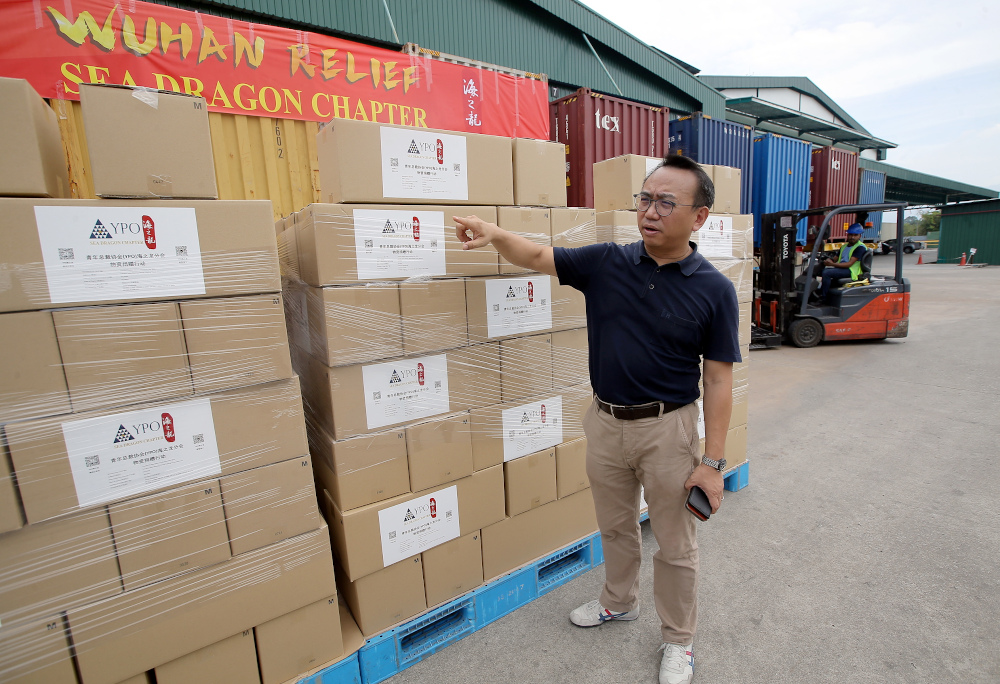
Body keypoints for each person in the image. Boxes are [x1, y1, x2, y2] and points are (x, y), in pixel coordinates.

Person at [454, 154, 741, 684]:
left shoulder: (714, 290)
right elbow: (538, 254)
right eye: (645, 198)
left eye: (666, 202)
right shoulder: (608, 262)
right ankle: (618, 601)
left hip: (668, 430)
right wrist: (493, 232)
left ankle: (679, 641)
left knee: (676, 545)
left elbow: (719, 380)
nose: (650, 211)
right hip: (606, 423)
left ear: (699, 217)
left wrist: (713, 461)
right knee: (614, 525)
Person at [817, 223, 868, 300]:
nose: (852, 237)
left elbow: (849, 264)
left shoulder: (860, 247)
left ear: (859, 236)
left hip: (852, 271)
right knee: (819, 271)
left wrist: (832, 264)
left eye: (855, 235)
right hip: (843, 269)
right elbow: (835, 258)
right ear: (847, 235)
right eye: (850, 235)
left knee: (826, 273)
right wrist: (829, 260)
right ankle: (820, 292)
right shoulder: (844, 246)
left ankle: (823, 297)